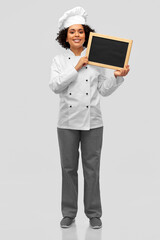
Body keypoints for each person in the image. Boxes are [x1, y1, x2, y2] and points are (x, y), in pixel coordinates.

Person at [49, 6, 130, 229]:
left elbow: (103, 90)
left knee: (92, 169)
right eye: (72, 31)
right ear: (65, 36)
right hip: (66, 122)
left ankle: (94, 213)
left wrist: (116, 77)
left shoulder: (96, 58)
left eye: (81, 31)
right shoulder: (59, 61)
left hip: (93, 122)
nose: (77, 35)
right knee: (68, 169)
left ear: (86, 34)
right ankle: (69, 212)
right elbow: (55, 86)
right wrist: (76, 67)